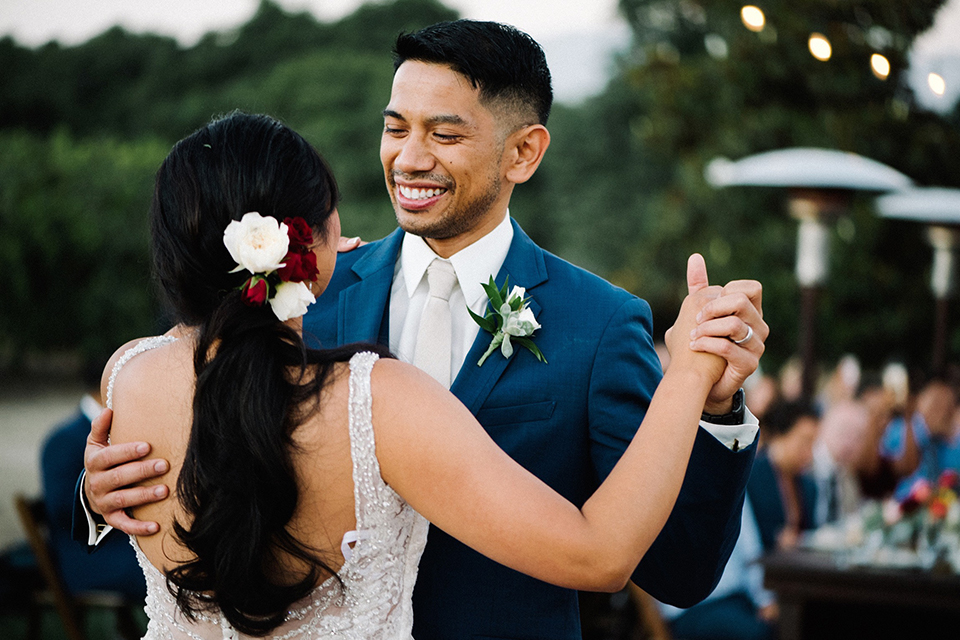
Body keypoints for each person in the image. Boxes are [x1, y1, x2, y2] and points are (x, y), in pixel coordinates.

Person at [78, 21, 767, 639]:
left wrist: (712, 408)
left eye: (444, 134)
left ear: (523, 153)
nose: (408, 158)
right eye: (395, 127)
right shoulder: (294, 293)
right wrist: (102, 493)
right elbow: (201, 442)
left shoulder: (600, 323)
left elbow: (676, 571)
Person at [41, 359, 146, 600]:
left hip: (128, 543)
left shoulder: (129, 429)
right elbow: (61, 509)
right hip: (92, 557)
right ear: (108, 384)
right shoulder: (64, 439)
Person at [657, 496, 777, 640]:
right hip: (691, 609)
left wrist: (764, 600)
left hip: (737, 598)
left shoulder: (729, 479)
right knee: (757, 632)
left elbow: (750, 548)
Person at [748, 399, 819, 550]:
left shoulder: (808, 486)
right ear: (781, 434)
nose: (809, 452)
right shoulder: (751, 476)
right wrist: (775, 537)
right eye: (805, 441)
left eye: (813, 443)